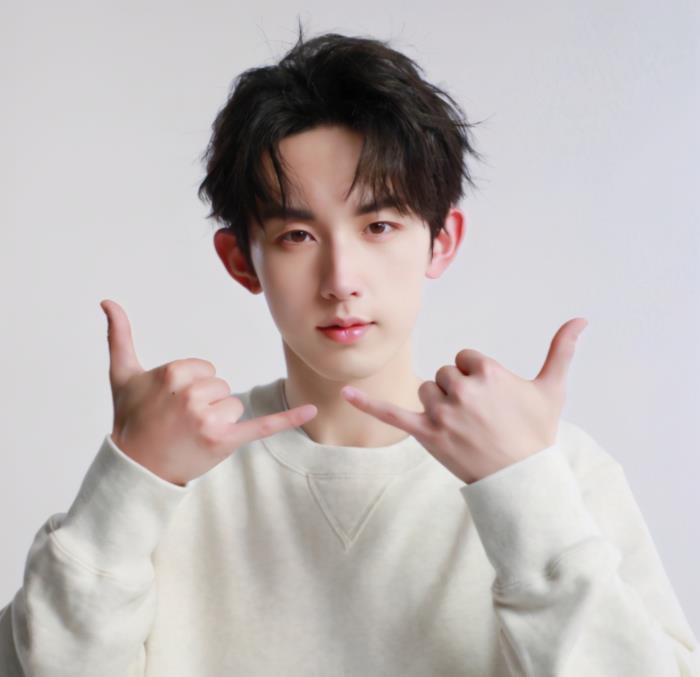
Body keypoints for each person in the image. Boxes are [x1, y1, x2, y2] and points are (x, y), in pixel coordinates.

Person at [1, 23, 698, 677]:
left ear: (441, 241)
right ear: (241, 261)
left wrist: (520, 487)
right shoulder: (176, 466)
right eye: (297, 236)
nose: (341, 280)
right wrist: (130, 480)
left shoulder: (552, 465)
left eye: (380, 226)